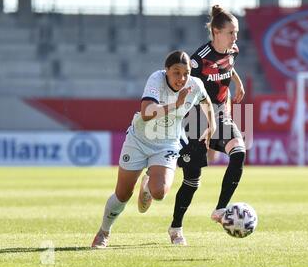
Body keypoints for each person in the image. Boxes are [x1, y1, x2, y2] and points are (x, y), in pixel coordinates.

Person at [91, 51, 216, 248]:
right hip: (139, 139)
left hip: (167, 143)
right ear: (166, 70)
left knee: (159, 193)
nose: (182, 78)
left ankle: (148, 185)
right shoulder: (156, 79)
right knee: (123, 195)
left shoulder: (195, 85)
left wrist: (212, 125)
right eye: (176, 72)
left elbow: (206, 101)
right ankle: (104, 232)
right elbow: (147, 113)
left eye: (186, 73)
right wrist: (177, 104)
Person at [168, 5, 246, 246]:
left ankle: (221, 209)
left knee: (239, 152)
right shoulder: (198, 59)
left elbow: (227, 67)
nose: (235, 37)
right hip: (195, 117)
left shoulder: (232, 49)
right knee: (192, 180)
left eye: (236, 32)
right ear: (216, 32)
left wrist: (238, 84)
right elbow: (185, 88)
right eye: (231, 32)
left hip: (220, 114)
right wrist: (202, 124)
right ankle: (176, 227)